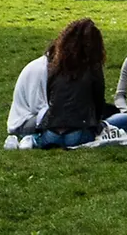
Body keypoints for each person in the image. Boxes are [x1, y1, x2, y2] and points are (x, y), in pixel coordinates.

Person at [34, 19, 113, 149]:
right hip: (77, 132)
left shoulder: (56, 67)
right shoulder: (93, 68)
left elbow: (49, 95)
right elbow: (99, 100)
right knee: (121, 120)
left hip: (50, 133)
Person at [5, 47, 50, 148]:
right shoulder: (40, 70)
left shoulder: (43, 67)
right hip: (24, 123)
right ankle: (31, 139)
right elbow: (37, 107)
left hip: (34, 118)